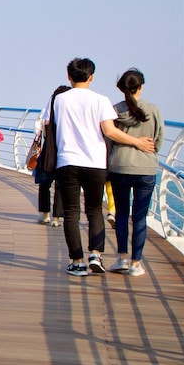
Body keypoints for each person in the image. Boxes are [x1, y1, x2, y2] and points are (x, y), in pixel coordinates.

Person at [53, 58, 155, 277]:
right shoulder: (101, 100)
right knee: (94, 210)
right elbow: (109, 131)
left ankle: (77, 262)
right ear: (92, 77)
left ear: (69, 76)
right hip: (95, 163)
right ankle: (96, 255)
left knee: (71, 212)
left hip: (67, 161)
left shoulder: (60, 100)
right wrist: (137, 142)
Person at [107, 68, 163, 277]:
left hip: (120, 166)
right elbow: (158, 139)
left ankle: (121, 258)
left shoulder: (114, 110)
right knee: (139, 218)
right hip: (145, 168)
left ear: (122, 88)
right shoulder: (153, 109)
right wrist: (148, 150)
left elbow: (108, 138)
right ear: (141, 86)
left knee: (121, 213)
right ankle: (136, 263)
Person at [36, 85, 71, 226]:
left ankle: (45, 215)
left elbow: (44, 129)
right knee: (60, 186)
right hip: (63, 151)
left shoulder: (48, 109)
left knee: (44, 184)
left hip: (48, 151)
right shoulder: (68, 112)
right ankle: (57, 218)